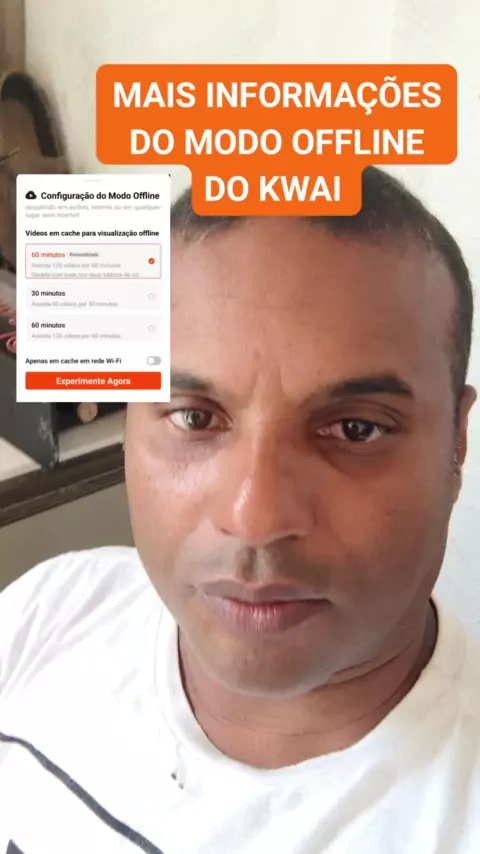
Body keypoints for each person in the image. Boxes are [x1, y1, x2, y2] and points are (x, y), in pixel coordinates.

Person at [0, 166, 479, 854]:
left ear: (457, 441)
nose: (255, 519)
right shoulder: (50, 609)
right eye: (195, 417)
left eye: (356, 429)